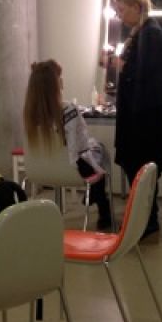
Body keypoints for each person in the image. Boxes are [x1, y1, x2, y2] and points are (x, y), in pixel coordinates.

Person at [107, 0, 162, 241]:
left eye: (122, 10)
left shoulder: (152, 35)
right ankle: (143, 219)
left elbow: (144, 74)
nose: (119, 15)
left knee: (142, 168)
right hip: (137, 115)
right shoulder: (141, 34)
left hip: (145, 118)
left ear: (136, 7)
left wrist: (121, 65)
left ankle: (146, 220)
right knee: (136, 166)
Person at [23, 59, 112, 230]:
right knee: (99, 149)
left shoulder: (29, 115)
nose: (62, 80)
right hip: (73, 171)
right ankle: (103, 208)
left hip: (40, 171)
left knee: (93, 149)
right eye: (59, 77)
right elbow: (80, 146)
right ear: (54, 85)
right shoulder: (69, 110)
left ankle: (98, 197)